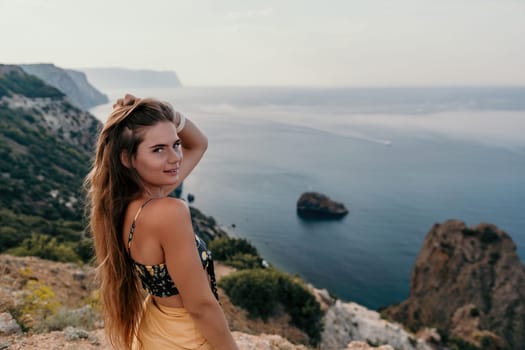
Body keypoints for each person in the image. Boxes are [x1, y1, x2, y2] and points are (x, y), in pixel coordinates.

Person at [85, 94, 239, 350]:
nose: (175, 158)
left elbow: (199, 144)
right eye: (158, 149)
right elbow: (201, 306)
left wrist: (162, 113)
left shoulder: (126, 205)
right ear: (127, 158)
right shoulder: (167, 212)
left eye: (175, 144)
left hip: (156, 327)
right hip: (185, 337)